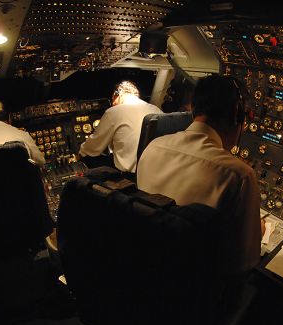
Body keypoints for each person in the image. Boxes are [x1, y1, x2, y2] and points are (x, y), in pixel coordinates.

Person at [137, 75, 263, 275]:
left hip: (146, 267)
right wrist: (259, 230)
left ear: (193, 109)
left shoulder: (152, 147)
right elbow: (245, 262)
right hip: (195, 287)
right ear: (235, 113)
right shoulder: (239, 176)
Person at [78, 81, 162, 173]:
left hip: (131, 177)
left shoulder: (114, 112)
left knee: (86, 158)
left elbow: (93, 148)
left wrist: (81, 151)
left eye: (113, 100)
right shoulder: (156, 110)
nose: (113, 104)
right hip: (156, 172)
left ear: (118, 93)